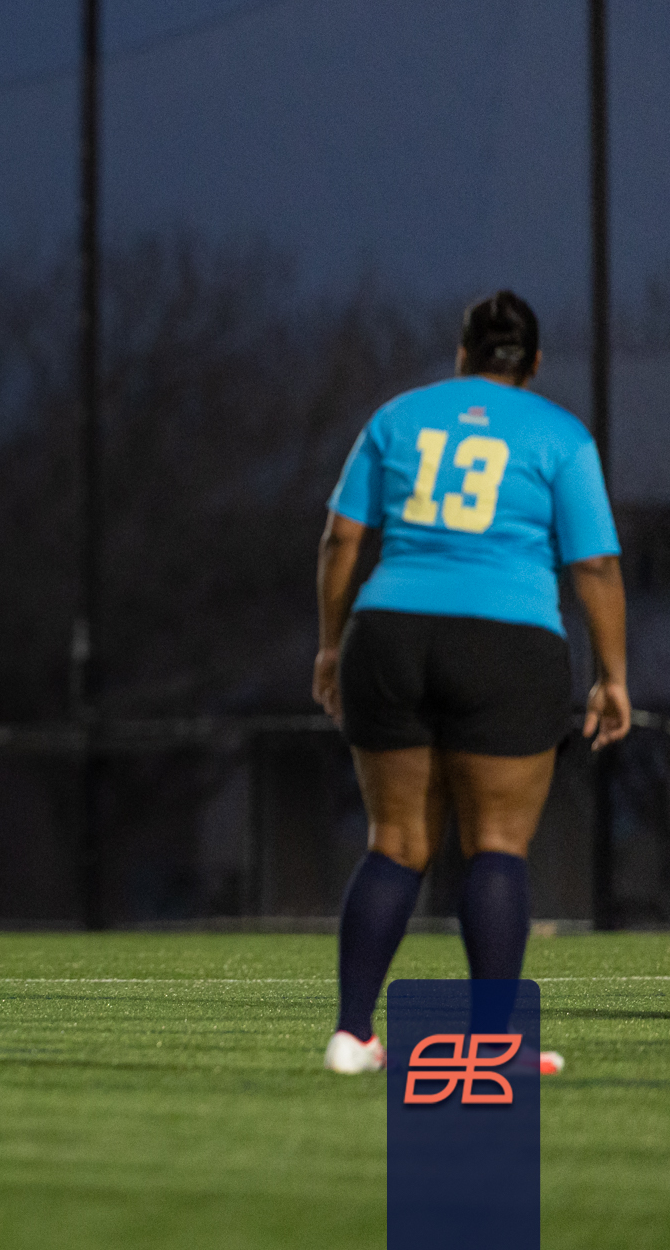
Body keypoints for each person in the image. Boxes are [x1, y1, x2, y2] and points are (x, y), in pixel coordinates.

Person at [313, 290, 628, 1075]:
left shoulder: (397, 417)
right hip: (507, 640)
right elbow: (594, 563)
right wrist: (612, 676)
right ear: (535, 362)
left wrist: (328, 647)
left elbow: (342, 539)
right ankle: (492, 1046)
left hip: (389, 631)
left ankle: (351, 1035)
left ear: (462, 353)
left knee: (394, 842)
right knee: (497, 843)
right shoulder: (560, 434)